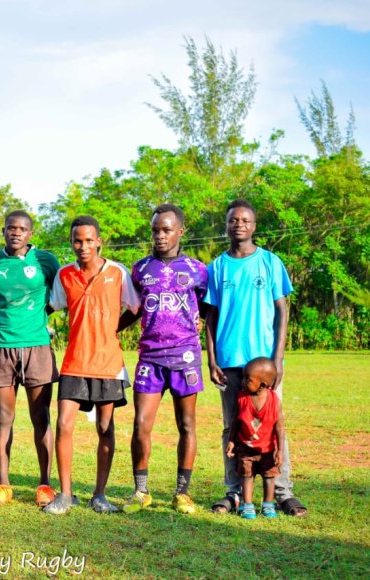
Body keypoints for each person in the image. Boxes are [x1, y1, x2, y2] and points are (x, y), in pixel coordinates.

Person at [205, 199, 307, 517]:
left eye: (245, 220)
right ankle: (236, 493)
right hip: (230, 360)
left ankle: (282, 492)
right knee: (232, 427)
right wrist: (211, 359)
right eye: (233, 220)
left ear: (254, 225)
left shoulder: (270, 262)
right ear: (226, 225)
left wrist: (277, 359)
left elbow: (281, 310)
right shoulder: (217, 267)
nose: (239, 224)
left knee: (273, 423)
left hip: (264, 363)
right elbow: (210, 316)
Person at [43, 216, 140, 515]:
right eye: (77, 240)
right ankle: (66, 494)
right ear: (72, 242)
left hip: (108, 363)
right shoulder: (64, 275)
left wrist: (113, 330)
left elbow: (135, 309)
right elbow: (48, 307)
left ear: (99, 241)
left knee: (104, 427)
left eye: (88, 240)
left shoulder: (118, 272)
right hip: (74, 362)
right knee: (63, 424)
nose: (82, 246)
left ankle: (100, 495)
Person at [120, 204, 207, 515]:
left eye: (167, 230)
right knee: (141, 424)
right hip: (151, 357)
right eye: (156, 230)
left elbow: (207, 305)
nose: (160, 235)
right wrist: (110, 332)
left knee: (186, 424)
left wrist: (202, 322)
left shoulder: (198, 269)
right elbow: (134, 309)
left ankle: (182, 493)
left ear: (180, 231)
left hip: (185, 356)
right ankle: (140, 491)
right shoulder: (140, 269)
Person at [0, 210, 59, 507]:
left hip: (37, 347)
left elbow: (57, 299)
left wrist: (35, 318)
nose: (16, 233)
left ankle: (45, 485)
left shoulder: (46, 261)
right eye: (11, 228)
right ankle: (4, 485)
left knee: (41, 418)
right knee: (3, 418)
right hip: (1, 348)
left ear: (30, 234)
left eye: (22, 229)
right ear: (4, 231)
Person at [226, 357, 285, 519]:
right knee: (246, 476)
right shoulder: (242, 398)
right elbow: (235, 421)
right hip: (246, 449)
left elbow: (279, 427)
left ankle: (268, 503)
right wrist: (231, 441)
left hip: (268, 450)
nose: (242, 381)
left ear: (263, 385)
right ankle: (248, 504)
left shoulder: (274, 401)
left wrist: (280, 450)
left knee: (269, 477)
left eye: (248, 379)